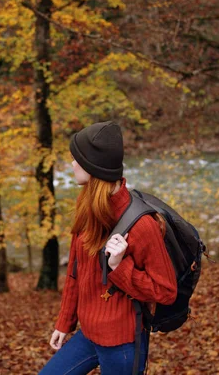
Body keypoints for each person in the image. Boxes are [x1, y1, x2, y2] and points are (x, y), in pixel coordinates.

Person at [39, 121, 177, 375]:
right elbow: (74, 271)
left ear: (93, 168)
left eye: (77, 159)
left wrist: (119, 267)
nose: (72, 164)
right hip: (88, 334)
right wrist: (64, 322)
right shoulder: (87, 208)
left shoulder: (141, 225)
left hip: (123, 344)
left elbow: (166, 291)